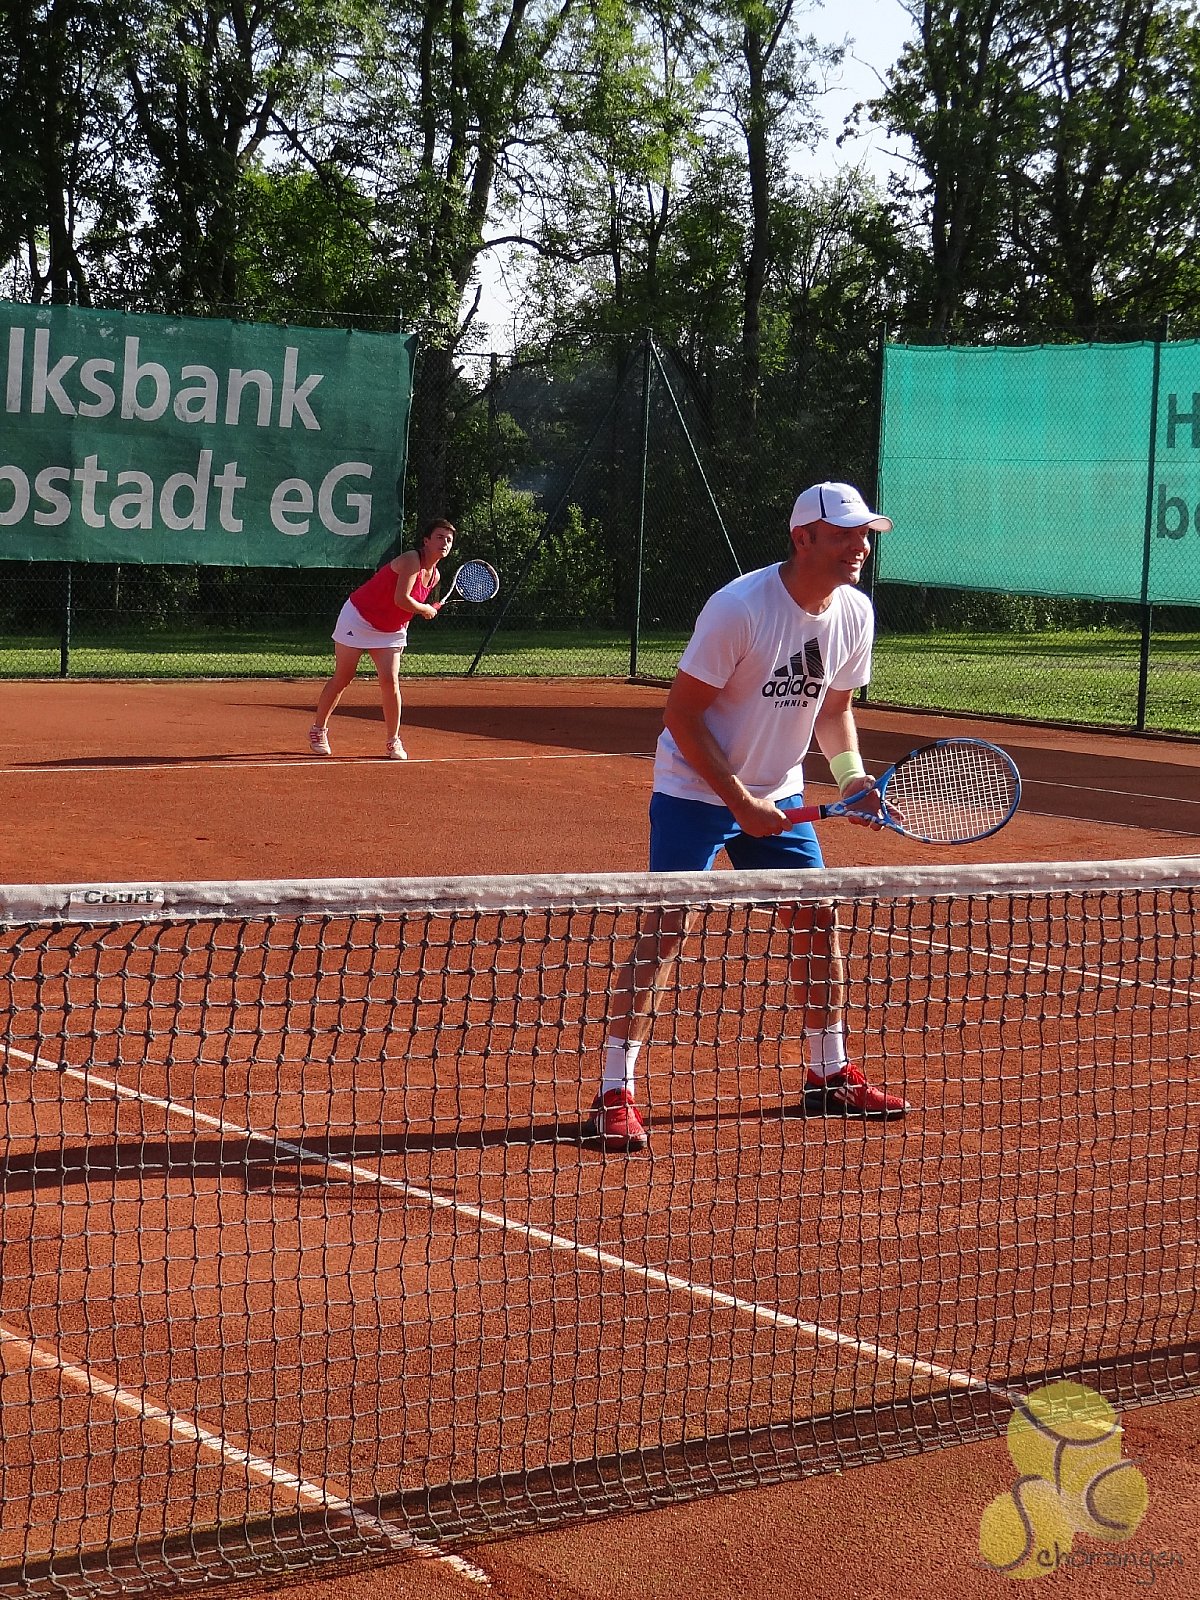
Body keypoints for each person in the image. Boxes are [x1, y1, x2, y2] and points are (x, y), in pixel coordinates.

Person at [586, 481, 909, 1154]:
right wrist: (738, 802)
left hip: (780, 789)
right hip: (694, 788)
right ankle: (614, 1091)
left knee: (816, 917)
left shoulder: (855, 611)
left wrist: (851, 777)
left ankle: (828, 1073)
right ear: (803, 538)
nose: (859, 547)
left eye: (865, 535)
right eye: (845, 535)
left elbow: (834, 709)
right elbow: (681, 715)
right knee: (668, 926)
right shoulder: (739, 607)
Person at [308, 519, 455, 759]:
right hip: (358, 617)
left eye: (449, 540)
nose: (444, 543)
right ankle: (318, 730)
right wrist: (426, 609)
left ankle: (393, 741)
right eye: (439, 537)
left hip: (391, 630)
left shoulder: (435, 576)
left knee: (390, 681)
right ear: (426, 541)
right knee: (343, 677)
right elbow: (401, 599)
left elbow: (406, 607)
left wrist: (403, 630)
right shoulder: (411, 560)